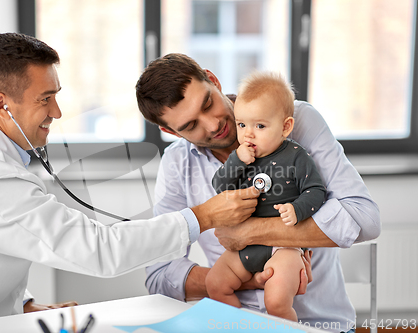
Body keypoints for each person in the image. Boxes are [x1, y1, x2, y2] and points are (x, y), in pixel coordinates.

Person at [0, 34, 258, 328]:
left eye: (55, 95)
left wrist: (22, 304)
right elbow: (99, 250)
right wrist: (204, 217)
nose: (57, 112)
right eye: (45, 99)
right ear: (1, 105)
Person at [136, 53, 381, 332]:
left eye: (208, 103)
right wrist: (240, 280)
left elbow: (366, 218)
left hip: (318, 325)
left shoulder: (297, 121)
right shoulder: (177, 163)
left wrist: (251, 232)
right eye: (191, 125)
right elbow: (159, 274)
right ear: (172, 131)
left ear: (213, 81)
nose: (213, 125)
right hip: (236, 325)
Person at [207, 71, 326, 321]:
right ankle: (241, 326)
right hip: (246, 246)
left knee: (276, 301)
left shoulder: (296, 156)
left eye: (260, 126)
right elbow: (219, 186)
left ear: (285, 127)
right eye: (242, 125)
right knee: (215, 284)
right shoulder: (239, 158)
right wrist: (236, 162)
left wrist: (298, 209)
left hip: (283, 246)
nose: (248, 134)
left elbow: (316, 191)